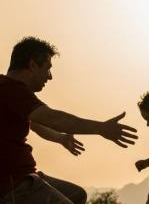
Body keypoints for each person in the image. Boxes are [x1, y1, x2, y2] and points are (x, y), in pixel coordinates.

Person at [0, 36, 138, 204]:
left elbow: (36, 124)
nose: (49, 77)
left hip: (27, 176)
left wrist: (61, 138)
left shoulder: (9, 91)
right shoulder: (11, 90)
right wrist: (100, 128)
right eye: (48, 68)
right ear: (32, 65)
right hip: (15, 184)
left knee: (78, 194)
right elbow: (53, 118)